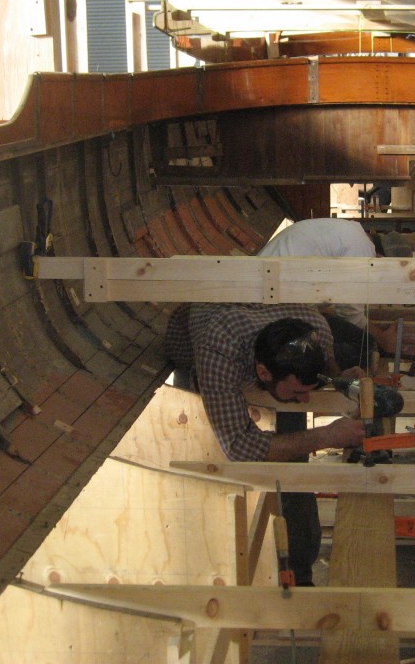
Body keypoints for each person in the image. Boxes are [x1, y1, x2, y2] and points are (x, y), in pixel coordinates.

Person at [165, 302, 365, 585]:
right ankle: (215, 574)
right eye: (299, 391)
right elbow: (238, 446)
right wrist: (326, 435)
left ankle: (298, 577)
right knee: (217, 473)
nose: (306, 401)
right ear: (263, 373)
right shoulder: (218, 350)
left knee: (294, 469)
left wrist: (340, 381)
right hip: (196, 349)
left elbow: (325, 371)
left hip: (256, 335)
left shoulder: (315, 328)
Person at [258, 218, 403, 363]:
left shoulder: (352, 234)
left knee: (340, 329)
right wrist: (382, 339)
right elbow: (350, 313)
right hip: (273, 303)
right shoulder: (362, 250)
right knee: (366, 349)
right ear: (382, 258)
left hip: (269, 291)